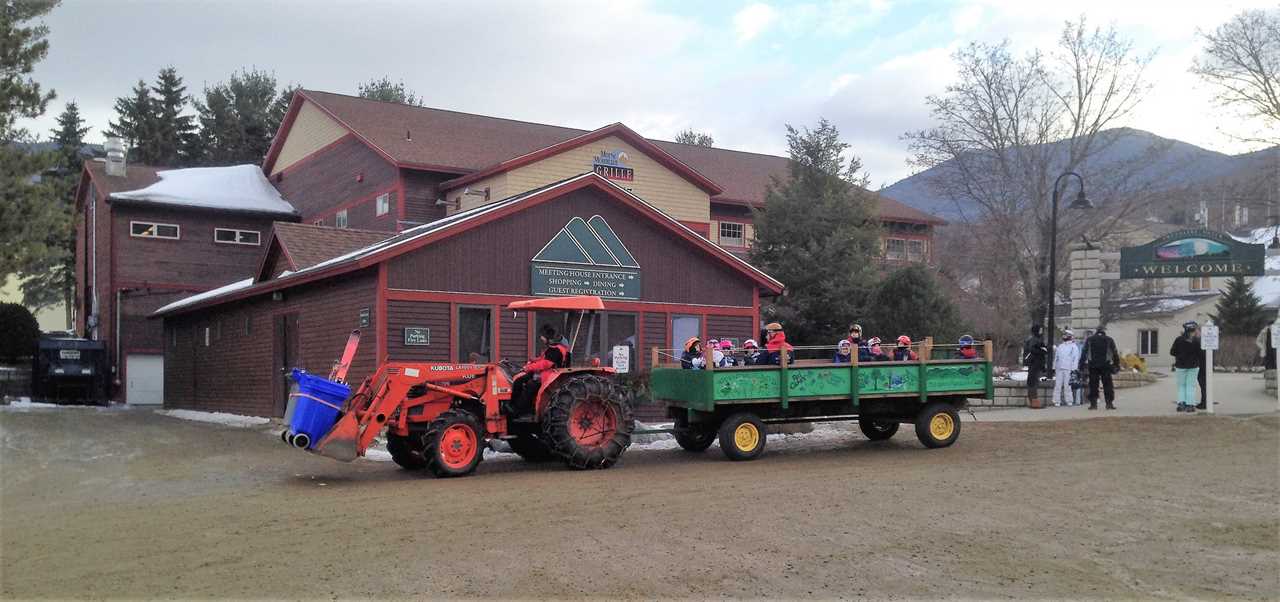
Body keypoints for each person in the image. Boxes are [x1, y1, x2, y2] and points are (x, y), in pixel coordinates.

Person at [511, 326, 570, 415]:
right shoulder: (553, 348)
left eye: (542, 336)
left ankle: (519, 409)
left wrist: (529, 367)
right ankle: (513, 404)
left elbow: (546, 364)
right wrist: (533, 360)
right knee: (519, 380)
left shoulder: (556, 350)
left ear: (548, 338)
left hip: (548, 375)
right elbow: (543, 359)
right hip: (544, 373)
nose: (541, 338)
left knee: (531, 385)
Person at [1080, 326, 1121, 410]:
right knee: (1108, 384)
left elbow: (1084, 352)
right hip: (1106, 365)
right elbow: (1114, 353)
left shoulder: (1090, 340)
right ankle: (1109, 403)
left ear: (1096, 331)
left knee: (1093, 385)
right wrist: (1117, 365)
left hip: (1093, 365)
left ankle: (1093, 404)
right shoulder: (1109, 339)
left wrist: (1081, 365)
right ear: (1104, 331)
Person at [1170, 321, 1202, 413]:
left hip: (1180, 366)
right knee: (1190, 386)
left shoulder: (1178, 339)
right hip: (1193, 366)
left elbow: (1172, 352)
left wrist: (1180, 355)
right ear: (1193, 330)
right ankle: (1190, 405)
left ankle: (1181, 404)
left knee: (1181, 386)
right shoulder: (1196, 341)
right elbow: (1200, 354)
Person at [1052, 330, 1081, 407]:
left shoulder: (1074, 347)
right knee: (1058, 385)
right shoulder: (1060, 346)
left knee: (1067, 386)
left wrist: (1074, 369)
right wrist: (1054, 367)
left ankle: (1069, 400)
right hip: (1059, 368)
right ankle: (1056, 400)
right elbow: (1056, 358)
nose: (1064, 336)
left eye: (1066, 335)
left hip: (1069, 368)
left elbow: (1075, 358)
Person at [1022, 324, 1048, 407]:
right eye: (1040, 329)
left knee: (1032, 382)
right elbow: (1033, 349)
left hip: (1033, 364)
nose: (1041, 331)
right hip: (1035, 364)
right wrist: (1042, 350)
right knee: (1034, 383)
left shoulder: (1033, 339)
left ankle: (1033, 402)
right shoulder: (1035, 340)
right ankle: (1034, 402)